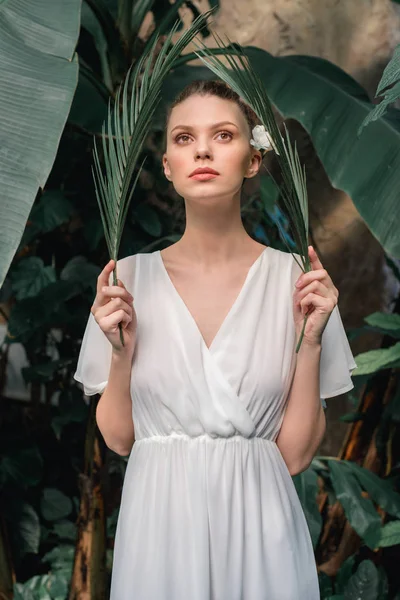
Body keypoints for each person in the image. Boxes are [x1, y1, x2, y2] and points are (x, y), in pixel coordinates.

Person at [74, 80, 357, 599]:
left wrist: (311, 341)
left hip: (262, 539)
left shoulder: (297, 283)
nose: (202, 149)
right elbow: (119, 439)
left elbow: (292, 456)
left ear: (253, 159)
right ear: (167, 165)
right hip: (158, 537)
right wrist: (121, 354)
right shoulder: (126, 282)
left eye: (223, 134)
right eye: (184, 138)